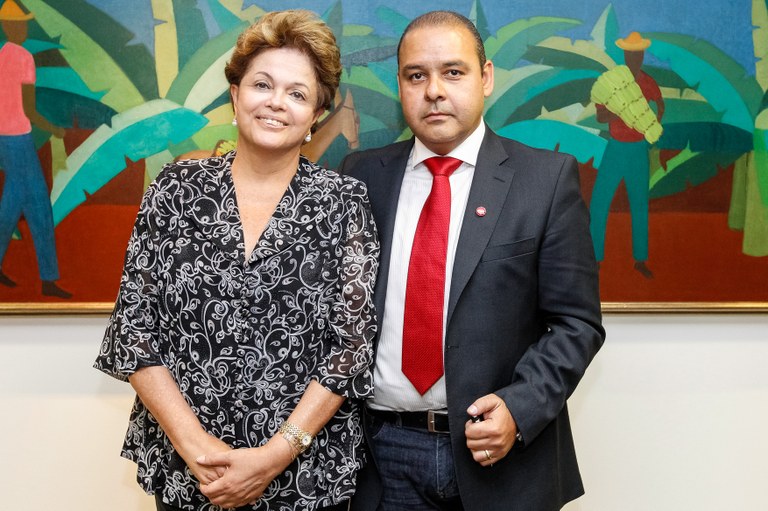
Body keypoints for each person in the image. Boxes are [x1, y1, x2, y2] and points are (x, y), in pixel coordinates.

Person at [94, 10, 379, 511]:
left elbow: (351, 348)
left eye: (297, 94)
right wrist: (196, 449)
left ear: (316, 114)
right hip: (190, 472)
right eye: (262, 85)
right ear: (235, 93)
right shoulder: (175, 191)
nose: (276, 102)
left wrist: (275, 455)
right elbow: (133, 331)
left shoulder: (344, 203)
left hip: (303, 477)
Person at [339, 11, 605, 511]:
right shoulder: (361, 175)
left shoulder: (544, 179)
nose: (434, 91)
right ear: (400, 85)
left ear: (485, 77)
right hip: (381, 455)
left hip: (501, 461)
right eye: (416, 75)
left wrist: (519, 408)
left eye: (453, 72)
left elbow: (577, 323)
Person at [0, 0, 70, 298]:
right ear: (9, 26)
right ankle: (48, 279)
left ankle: (47, 278)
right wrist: (54, 129)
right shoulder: (24, 57)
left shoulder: (1, 55)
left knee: (11, 205)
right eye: (21, 24)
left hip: (4, 141)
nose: (25, 28)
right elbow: (29, 110)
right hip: (19, 140)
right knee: (39, 206)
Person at [591, 32, 664, 279]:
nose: (635, 58)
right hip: (616, 148)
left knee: (639, 204)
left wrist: (651, 124)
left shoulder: (648, 82)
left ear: (642, 56)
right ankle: (595, 258)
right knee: (599, 202)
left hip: (638, 149)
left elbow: (660, 104)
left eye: (638, 54)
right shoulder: (611, 83)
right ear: (625, 55)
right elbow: (600, 116)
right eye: (631, 54)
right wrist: (621, 111)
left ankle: (640, 259)